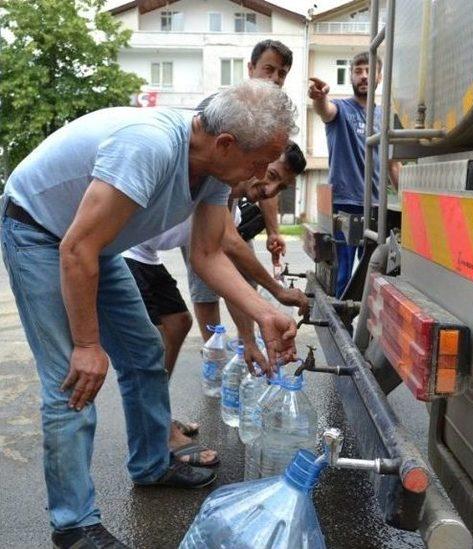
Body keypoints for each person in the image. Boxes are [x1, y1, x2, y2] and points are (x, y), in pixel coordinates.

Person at [0, 79, 298, 548]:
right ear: (225, 144)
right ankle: (73, 524)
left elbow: (207, 255)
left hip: (94, 246)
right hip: (40, 232)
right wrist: (87, 343)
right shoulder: (150, 145)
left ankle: (152, 462)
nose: (261, 176)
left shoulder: (215, 174)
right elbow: (76, 248)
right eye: (259, 162)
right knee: (72, 379)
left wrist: (263, 312)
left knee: (141, 350)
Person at [123, 143, 308, 467]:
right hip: (126, 248)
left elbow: (227, 272)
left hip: (145, 253)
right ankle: (158, 431)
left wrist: (249, 340)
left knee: (179, 323)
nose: (270, 190)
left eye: (281, 187)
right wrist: (276, 292)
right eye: (273, 176)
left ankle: (156, 415)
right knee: (150, 345)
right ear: (257, 160)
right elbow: (231, 245)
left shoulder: (230, 203)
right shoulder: (219, 183)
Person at [191, 39, 294, 333]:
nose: (275, 79)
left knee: (240, 275)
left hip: (227, 208)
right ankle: (216, 348)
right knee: (210, 277)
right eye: (268, 69)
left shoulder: (274, 119)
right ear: (250, 69)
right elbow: (222, 242)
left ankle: (245, 344)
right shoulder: (223, 111)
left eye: (282, 73)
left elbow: (266, 178)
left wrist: (274, 231)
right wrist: (278, 291)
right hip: (204, 210)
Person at [308, 51, 401, 297]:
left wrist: (406, 204)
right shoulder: (341, 108)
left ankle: (365, 329)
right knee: (342, 277)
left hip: (376, 208)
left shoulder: (385, 118)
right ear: (350, 76)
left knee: (374, 276)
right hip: (344, 205)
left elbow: (393, 164)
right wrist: (319, 98)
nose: (364, 76)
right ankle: (342, 328)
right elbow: (324, 110)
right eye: (358, 71)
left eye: (370, 71)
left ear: (379, 77)